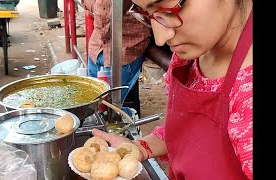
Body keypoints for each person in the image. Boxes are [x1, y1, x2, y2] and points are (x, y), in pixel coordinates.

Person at [91, 0, 253, 179]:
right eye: (147, 13)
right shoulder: (193, 53)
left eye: (169, 10)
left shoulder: (247, 93)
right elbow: (187, 132)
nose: (161, 38)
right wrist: (141, 148)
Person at [84, 0, 152, 117]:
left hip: (124, 53)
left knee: (111, 109)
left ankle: (128, 117)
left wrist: (131, 6)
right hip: (96, 49)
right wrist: (96, 7)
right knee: (92, 104)